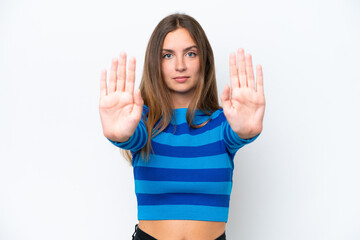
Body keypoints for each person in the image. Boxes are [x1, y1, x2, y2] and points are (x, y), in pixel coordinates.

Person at [99, 13, 265, 240]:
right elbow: (130, 137)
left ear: (203, 60)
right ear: (155, 63)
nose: (180, 65)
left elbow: (237, 133)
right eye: (167, 55)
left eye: (190, 53)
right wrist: (120, 135)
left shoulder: (222, 124)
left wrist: (246, 131)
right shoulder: (143, 123)